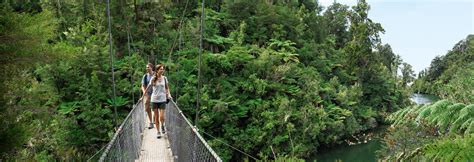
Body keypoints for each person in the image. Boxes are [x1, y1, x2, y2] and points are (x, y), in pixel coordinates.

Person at [145, 64, 172, 139]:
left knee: (162, 117)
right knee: (156, 117)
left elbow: (167, 88)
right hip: (154, 100)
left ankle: (162, 125)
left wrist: (169, 94)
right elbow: (148, 87)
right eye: (161, 69)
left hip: (162, 100)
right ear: (157, 70)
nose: (162, 70)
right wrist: (143, 95)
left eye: (163, 69)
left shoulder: (165, 78)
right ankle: (158, 132)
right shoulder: (153, 78)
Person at [141, 63, 154, 129]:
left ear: (151, 67)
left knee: (155, 108)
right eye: (146, 67)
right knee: (147, 108)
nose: (147, 68)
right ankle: (151, 122)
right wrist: (144, 93)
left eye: (148, 67)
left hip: (155, 94)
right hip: (148, 94)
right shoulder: (145, 76)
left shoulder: (156, 75)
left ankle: (154, 119)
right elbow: (142, 86)